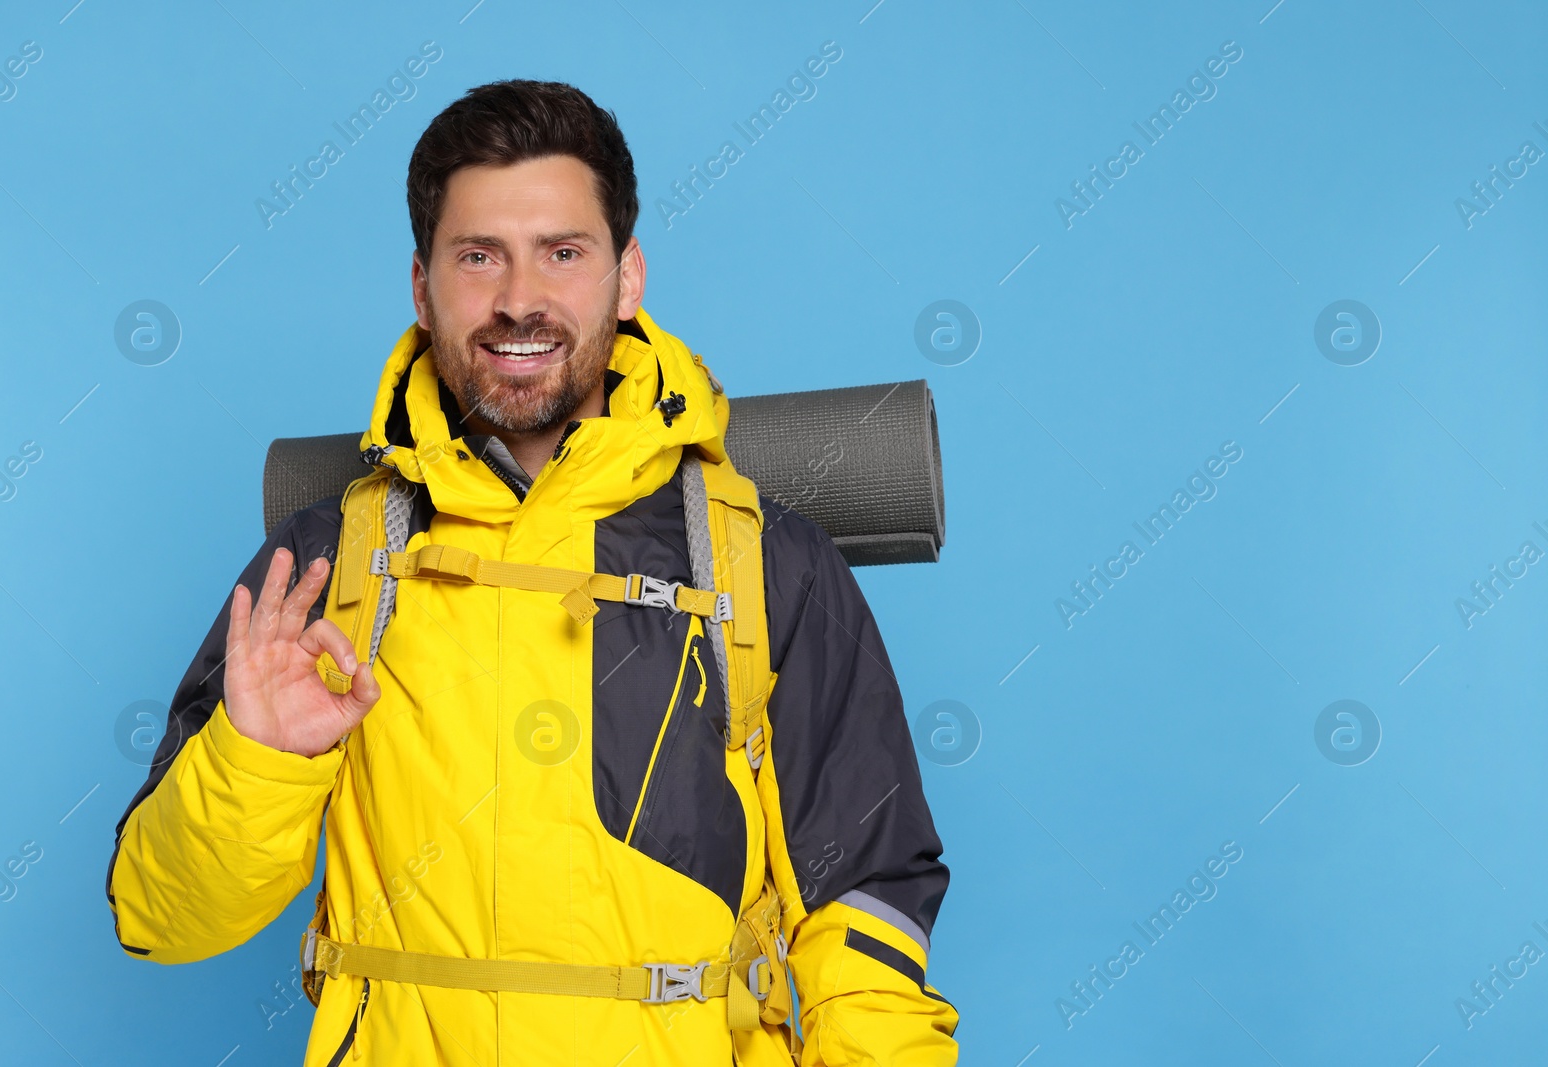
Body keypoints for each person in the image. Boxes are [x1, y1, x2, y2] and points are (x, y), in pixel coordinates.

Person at [107, 78, 958, 1066]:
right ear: (422, 287)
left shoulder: (765, 560)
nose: (519, 298)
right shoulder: (325, 567)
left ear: (625, 276)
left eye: (562, 252)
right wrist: (257, 760)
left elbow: (865, 898)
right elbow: (161, 919)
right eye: (479, 256)